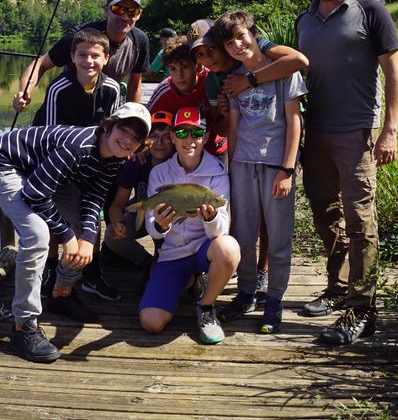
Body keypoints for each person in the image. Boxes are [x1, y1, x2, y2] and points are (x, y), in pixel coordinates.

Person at [0, 103, 151, 362]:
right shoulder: (79, 147)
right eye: (124, 130)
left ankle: (61, 295)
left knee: (85, 233)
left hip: (46, 173)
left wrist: (87, 240)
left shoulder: (116, 158)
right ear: (109, 125)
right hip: (6, 162)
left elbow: (94, 197)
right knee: (37, 234)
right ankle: (22, 324)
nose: (128, 140)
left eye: (136, 138)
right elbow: (35, 194)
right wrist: (68, 236)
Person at [295, 0, 398, 345]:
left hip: (356, 133)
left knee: (361, 221)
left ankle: (363, 309)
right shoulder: (303, 19)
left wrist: (389, 130)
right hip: (315, 133)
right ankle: (339, 288)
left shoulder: (370, 11)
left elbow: (394, 74)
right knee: (325, 213)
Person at [189, 18, 308, 304]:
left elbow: (295, 120)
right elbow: (230, 128)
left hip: (275, 163)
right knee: (243, 229)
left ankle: (274, 298)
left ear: (253, 35)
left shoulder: (281, 68)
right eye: (229, 43)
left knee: (278, 233)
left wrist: (287, 169)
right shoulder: (227, 80)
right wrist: (231, 168)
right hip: (242, 162)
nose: (236, 46)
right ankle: (246, 292)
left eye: (240, 39)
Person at [30, 27, 123, 304]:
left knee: (91, 219)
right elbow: (45, 137)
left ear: (106, 58)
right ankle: (49, 273)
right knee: (55, 222)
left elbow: (114, 131)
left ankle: (92, 273)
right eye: (82, 55)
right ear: (71, 57)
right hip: (56, 163)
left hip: (94, 163)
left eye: (95, 56)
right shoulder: (59, 88)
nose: (88, 61)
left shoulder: (112, 89)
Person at [139, 107, 239, 344]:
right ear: (173, 137)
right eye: (182, 134)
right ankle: (190, 281)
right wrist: (161, 225)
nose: (189, 140)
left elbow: (221, 229)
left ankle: (206, 306)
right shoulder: (160, 173)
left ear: (205, 137)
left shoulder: (217, 173)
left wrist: (210, 218)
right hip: (172, 253)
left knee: (228, 248)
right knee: (151, 322)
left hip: (204, 249)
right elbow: (152, 229)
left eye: (196, 133)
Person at [13, 0, 149, 108]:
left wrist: (132, 116)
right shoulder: (79, 37)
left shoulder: (140, 41)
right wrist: (24, 91)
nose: (125, 16)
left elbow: (135, 85)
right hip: (66, 106)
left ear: (139, 14)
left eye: (132, 11)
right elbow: (41, 64)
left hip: (104, 106)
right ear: (106, 9)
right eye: (118, 9)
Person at [105, 111, 176, 269]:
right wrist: (117, 223)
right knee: (111, 235)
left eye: (166, 136)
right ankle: (145, 262)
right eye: (154, 136)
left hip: (170, 221)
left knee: (165, 263)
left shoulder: (179, 162)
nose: (159, 142)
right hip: (141, 214)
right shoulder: (136, 163)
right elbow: (117, 205)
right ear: (145, 140)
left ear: (174, 138)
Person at [146, 36, 226, 157]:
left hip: (215, 150)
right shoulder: (164, 91)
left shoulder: (213, 81)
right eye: (173, 69)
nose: (179, 75)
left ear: (197, 66)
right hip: (179, 154)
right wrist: (141, 145)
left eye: (185, 67)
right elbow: (145, 122)